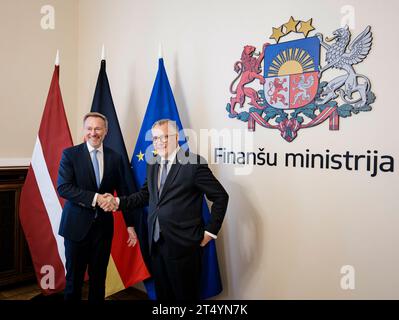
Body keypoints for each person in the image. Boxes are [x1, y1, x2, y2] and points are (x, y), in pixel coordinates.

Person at [100, 119, 229, 301]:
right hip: (157, 243)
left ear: (177, 137)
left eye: (164, 137)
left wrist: (210, 231)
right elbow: (146, 195)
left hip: (184, 246)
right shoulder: (153, 163)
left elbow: (221, 197)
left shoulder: (193, 163)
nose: (159, 142)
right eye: (155, 138)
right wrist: (117, 201)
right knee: (164, 297)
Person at [57, 112, 137, 301]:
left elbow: (124, 192)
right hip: (75, 229)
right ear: (84, 131)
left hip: (102, 230)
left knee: (98, 279)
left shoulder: (115, 158)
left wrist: (130, 225)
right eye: (90, 128)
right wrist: (96, 198)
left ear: (106, 131)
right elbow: (64, 188)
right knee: (73, 281)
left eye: (98, 128)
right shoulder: (70, 155)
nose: (94, 132)